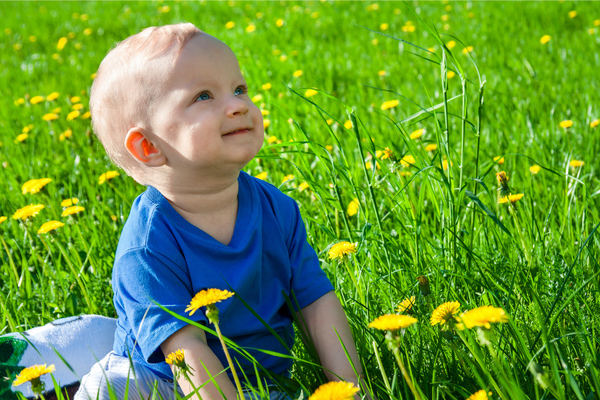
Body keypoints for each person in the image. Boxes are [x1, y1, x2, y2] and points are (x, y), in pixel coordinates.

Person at [74, 23, 364, 400]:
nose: (239, 104)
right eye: (204, 96)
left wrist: (351, 390)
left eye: (239, 89)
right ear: (148, 146)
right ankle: (69, 352)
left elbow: (315, 303)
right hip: (160, 380)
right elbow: (185, 352)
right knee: (106, 391)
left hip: (257, 381)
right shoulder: (148, 247)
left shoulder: (277, 211)